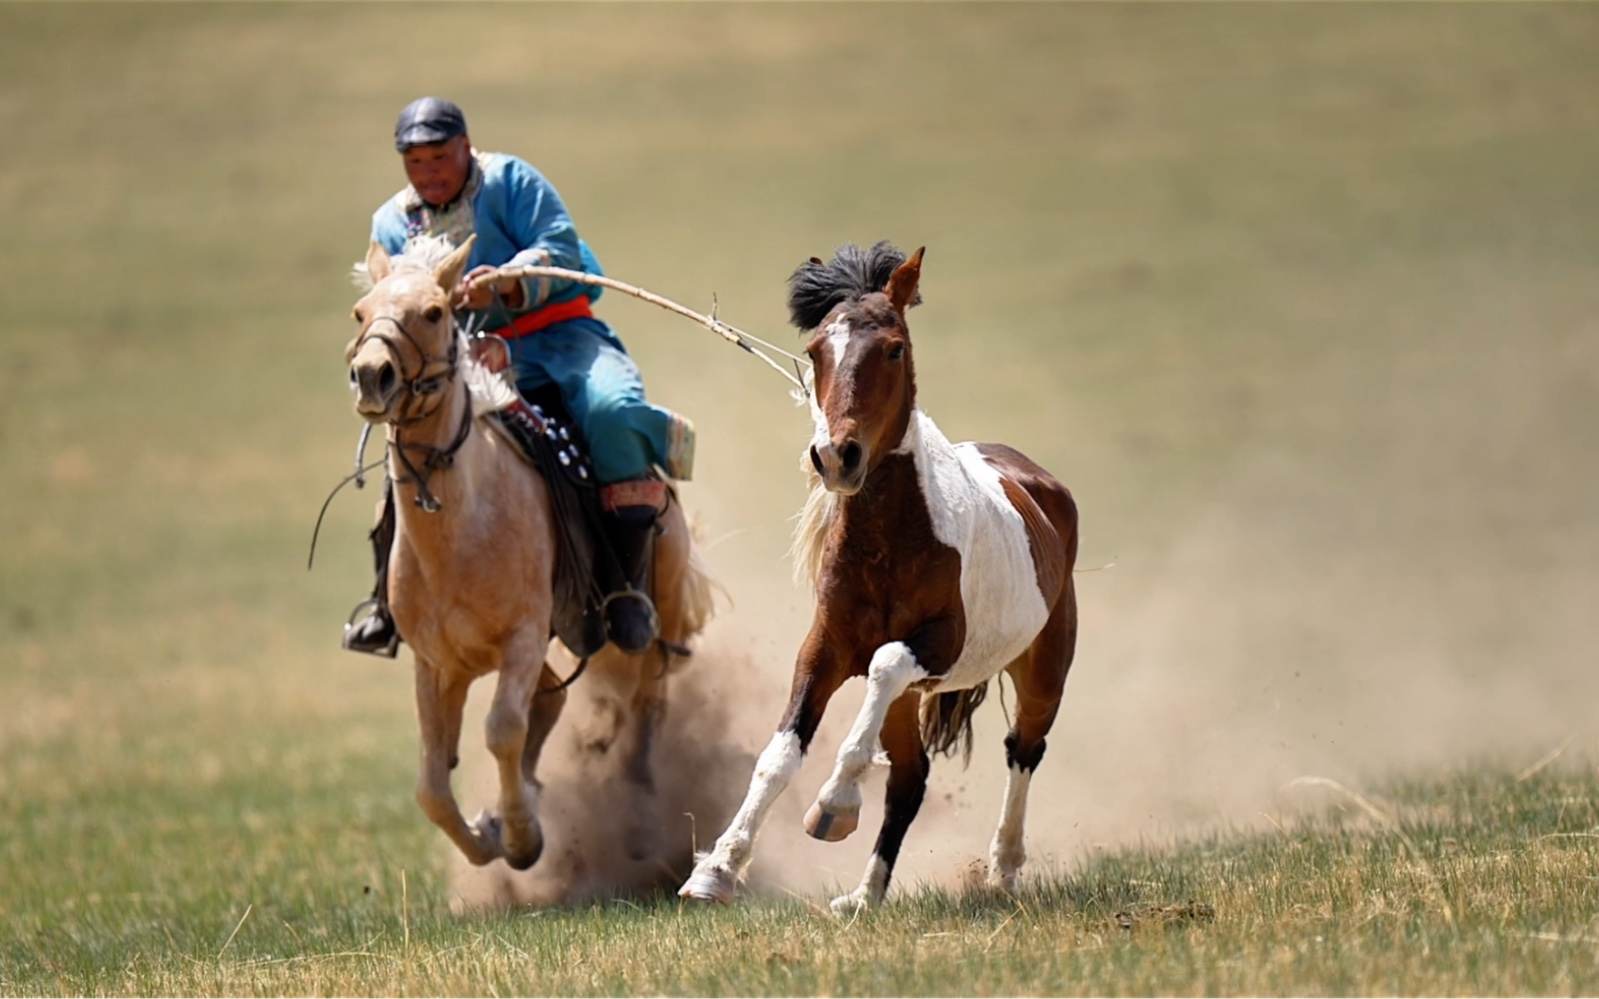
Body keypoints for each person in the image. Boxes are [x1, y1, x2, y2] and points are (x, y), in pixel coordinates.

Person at [343, 96, 695, 658]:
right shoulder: (391, 223)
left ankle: (626, 590)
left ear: (465, 146)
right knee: (406, 456)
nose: (429, 172)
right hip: (463, 364)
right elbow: (391, 299)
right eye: (416, 162)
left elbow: (560, 247)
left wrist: (504, 282)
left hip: (561, 340)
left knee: (612, 413)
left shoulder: (510, 181)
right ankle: (388, 607)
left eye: (440, 157)